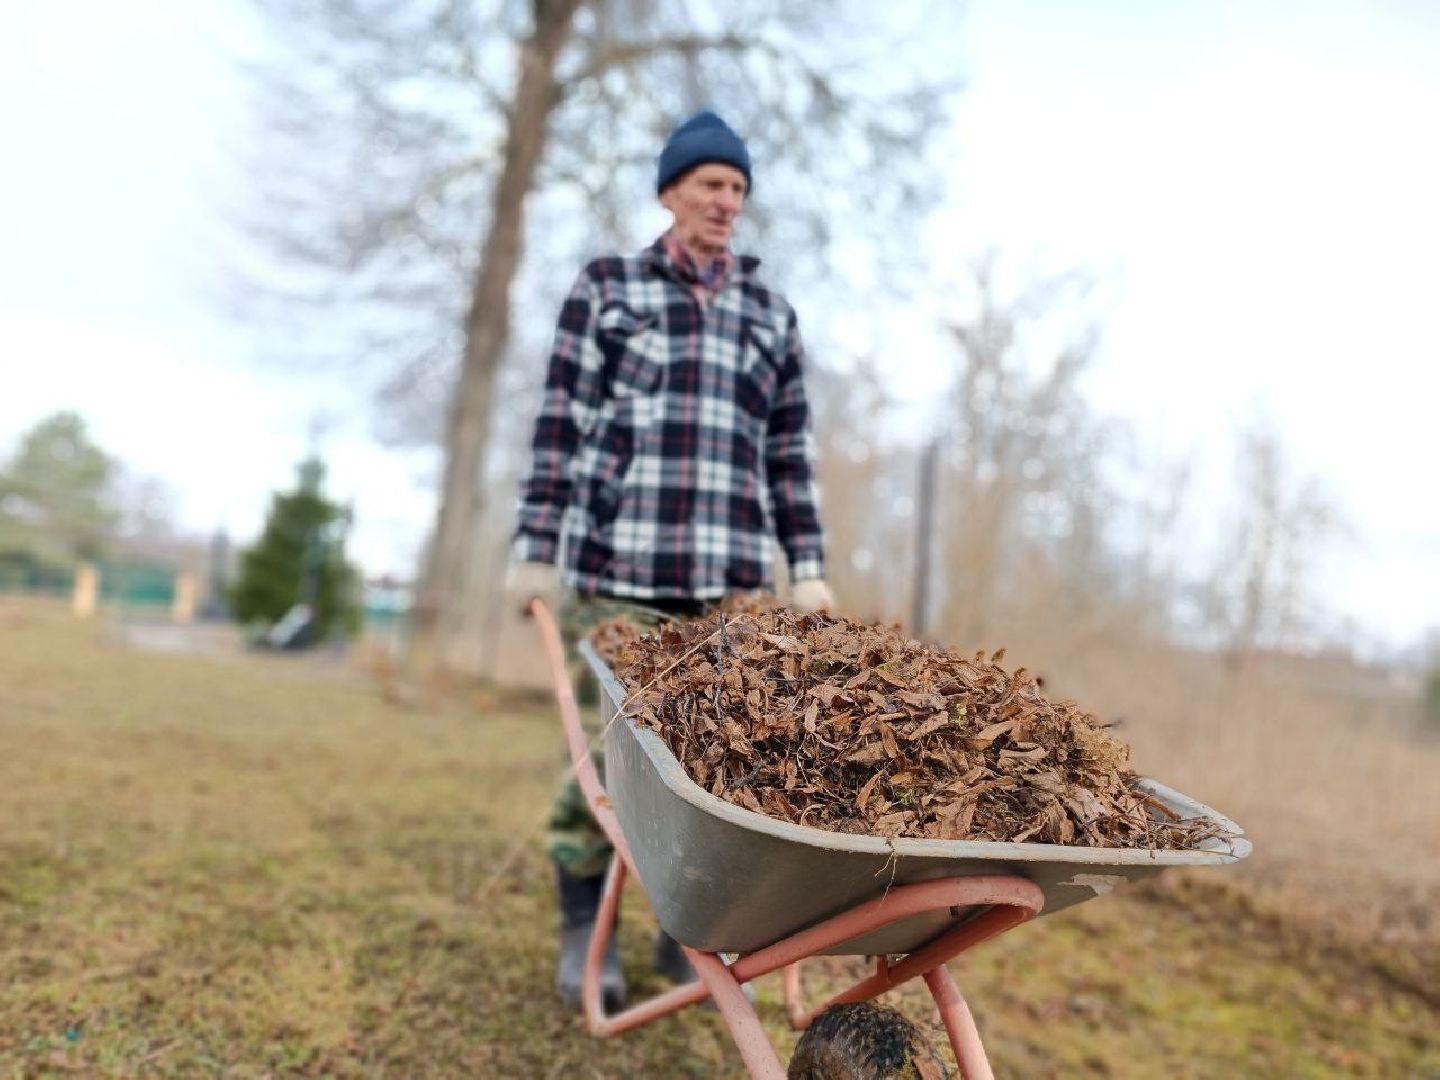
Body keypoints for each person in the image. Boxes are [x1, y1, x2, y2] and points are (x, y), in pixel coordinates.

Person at [505, 109, 834, 1012]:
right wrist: (536, 548)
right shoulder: (610, 288)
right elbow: (559, 430)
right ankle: (586, 932)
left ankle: (677, 929)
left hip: (732, 593)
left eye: (738, 189)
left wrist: (805, 565)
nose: (727, 202)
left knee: (720, 774)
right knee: (609, 776)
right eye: (711, 185)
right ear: (671, 191)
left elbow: (788, 456)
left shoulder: (771, 313)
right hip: (620, 577)